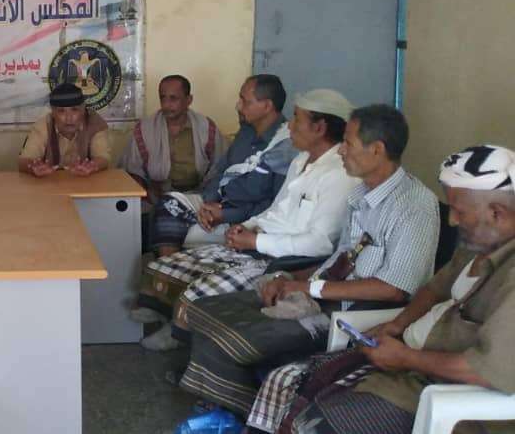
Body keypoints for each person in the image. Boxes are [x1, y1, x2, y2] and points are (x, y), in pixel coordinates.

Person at [177, 105, 440, 416]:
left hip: (353, 315)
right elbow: (341, 259)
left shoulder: (414, 205)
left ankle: (249, 414)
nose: (341, 150)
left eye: (349, 143)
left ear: (377, 150)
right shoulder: (362, 195)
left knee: (234, 337)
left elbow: (393, 289)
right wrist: (292, 279)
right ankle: (239, 408)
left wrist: (309, 288)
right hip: (320, 295)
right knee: (203, 311)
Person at [249, 145, 515, 434]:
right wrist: (397, 325)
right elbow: (434, 289)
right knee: (289, 381)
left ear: (497, 213)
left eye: (459, 211)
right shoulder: (478, 246)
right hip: (408, 362)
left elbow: (487, 370)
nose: (452, 220)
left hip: (437, 391)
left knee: (317, 425)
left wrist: (405, 357)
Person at [140, 89, 359, 351]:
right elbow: (276, 210)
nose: (290, 126)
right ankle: (180, 329)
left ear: (319, 127)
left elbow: (320, 243)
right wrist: (247, 227)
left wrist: (255, 241)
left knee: (196, 293)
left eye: (297, 119)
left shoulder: (339, 174)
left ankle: (187, 340)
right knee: (164, 267)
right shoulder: (300, 160)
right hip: (258, 243)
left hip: (283, 260)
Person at [150, 74, 296, 255]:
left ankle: (171, 267)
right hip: (218, 205)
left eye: (245, 101)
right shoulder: (246, 132)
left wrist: (225, 214)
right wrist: (210, 202)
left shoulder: (285, 146)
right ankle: (168, 268)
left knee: (178, 230)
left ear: (266, 106)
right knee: (168, 205)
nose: (238, 106)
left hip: (246, 220)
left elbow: (274, 205)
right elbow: (221, 171)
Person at [120, 75, 226, 249]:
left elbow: (220, 169)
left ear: (188, 100)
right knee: (132, 225)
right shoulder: (145, 129)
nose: (166, 105)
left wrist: (208, 199)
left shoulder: (206, 128)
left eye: (173, 98)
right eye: (163, 98)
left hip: (199, 198)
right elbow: (132, 172)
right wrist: (149, 194)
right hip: (154, 198)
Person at [18, 83, 111, 177]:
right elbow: (24, 161)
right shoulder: (43, 125)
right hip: (49, 182)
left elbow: (102, 157)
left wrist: (92, 166)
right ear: (53, 112)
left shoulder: (95, 123)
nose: (69, 118)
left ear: (83, 109)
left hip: (85, 181)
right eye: (61, 111)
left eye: (75, 110)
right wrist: (33, 167)